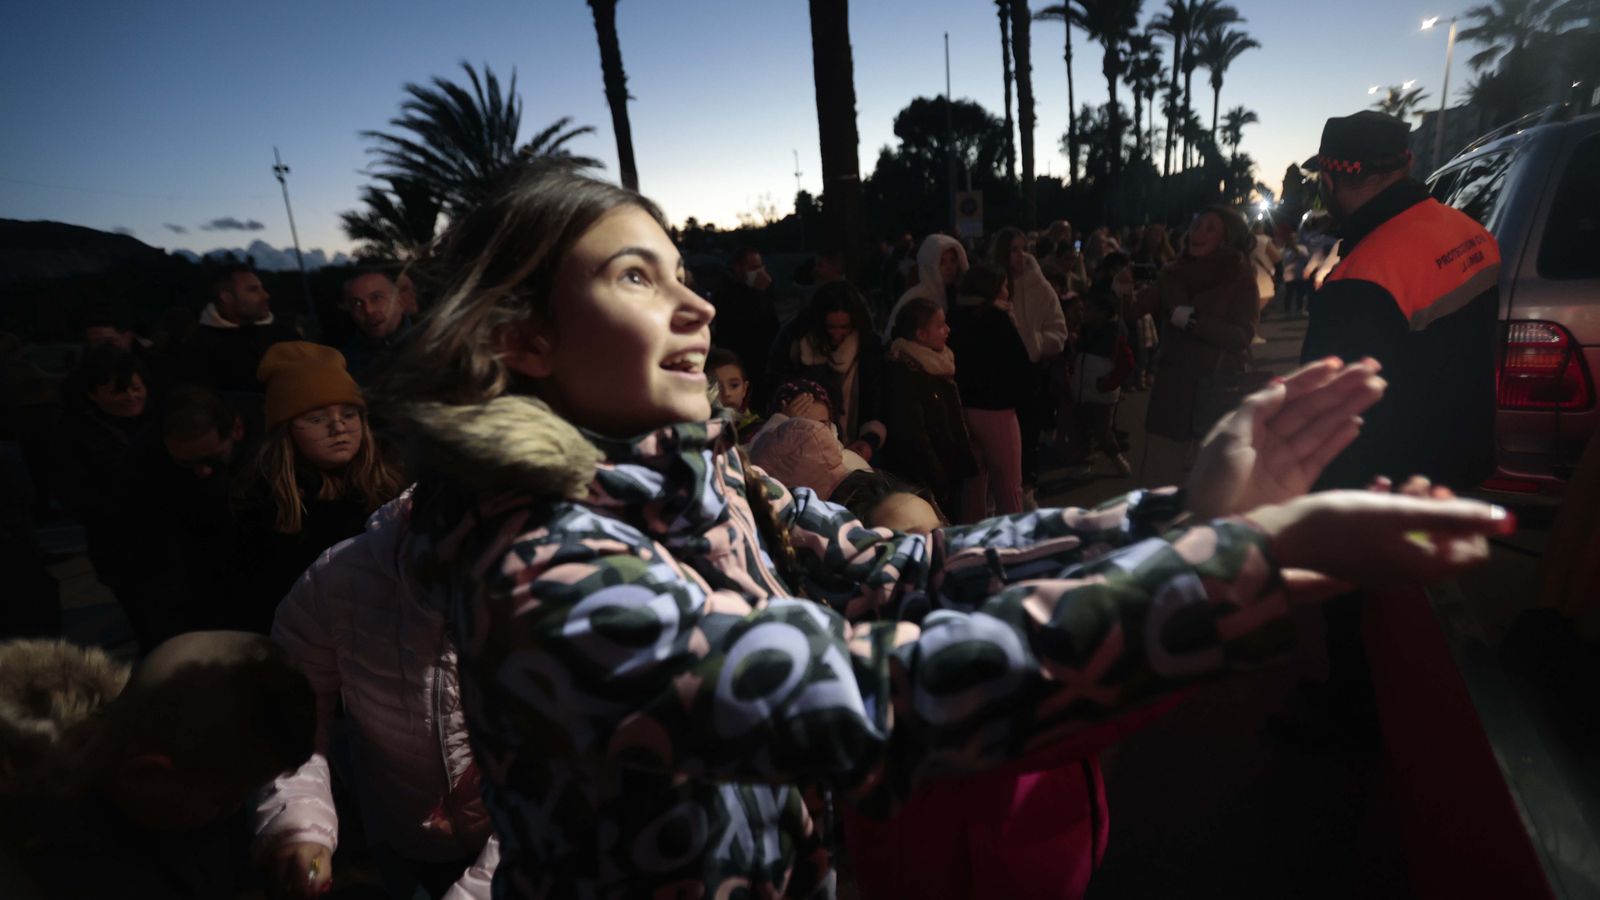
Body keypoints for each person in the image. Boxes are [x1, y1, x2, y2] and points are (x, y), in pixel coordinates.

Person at [370, 161, 1513, 898]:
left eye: (684, 270)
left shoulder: (708, 479)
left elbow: (908, 571)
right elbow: (872, 700)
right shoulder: (540, 575)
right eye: (635, 274)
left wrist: (1182, 514)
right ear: (521, 340)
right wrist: (1224, 572)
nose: (699, 304)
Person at [1295, 110, 1502, 744]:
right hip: (1459, 453)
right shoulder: (1468, 231)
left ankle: (1357, 720)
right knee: (1430, 605)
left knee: (1361, 610)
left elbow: (1331, 399)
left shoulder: (1364, 273)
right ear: (1407, 164)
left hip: (1382, 475)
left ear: (1334, 175)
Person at [253, 493, 498, 900]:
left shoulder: (563, 592)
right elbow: (286, 712)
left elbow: (573, 778)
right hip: (405, 832)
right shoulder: (341, 578)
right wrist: (298, 820)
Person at [0, 631, 315, 899]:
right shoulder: (54, 870)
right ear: (147, 774)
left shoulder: (176, 797)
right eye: (224, 799)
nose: (234, 810)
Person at [231, 343, 402, 633]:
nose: (338, 428)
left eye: (349, 414)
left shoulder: (391, 485)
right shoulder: (262, 505)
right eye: (316, 419)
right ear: (286, 432)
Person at [114, 387, 252, 648]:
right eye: (185, 464)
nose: (201, 471)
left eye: (212, 459)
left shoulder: (266, 456)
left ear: (237, 430)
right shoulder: (143, 470)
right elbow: (150, 558)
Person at [1131, 205, 1259, 486]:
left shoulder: (1239, 278)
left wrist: (1192, 322)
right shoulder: (1172, 274)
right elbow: (1133, 310)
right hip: (1173, 389)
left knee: (1211, 488)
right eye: (1197, 226)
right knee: (1157, 483)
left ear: (1227, 238)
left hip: (1216, 388)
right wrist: (1121, 289)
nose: (1198, 232)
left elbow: (1241, 336)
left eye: (1210, 228)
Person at [51, 346, 156, 643]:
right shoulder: (73, 436)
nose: (132, 396)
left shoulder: (159, 420)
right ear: (91, 394)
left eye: (137, 387)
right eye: (119, 391)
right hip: (122, 548)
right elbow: (77, 498)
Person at [988, 227, 1070, 505]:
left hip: (1028, 373)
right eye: (1013, 249)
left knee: (1027, 433)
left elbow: (1059, 331)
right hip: (995, 373)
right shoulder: (991, 285)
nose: (1020, 255)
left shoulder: (1040, 285)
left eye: (1024, 248)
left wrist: (1034, 343)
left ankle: (1027, 489)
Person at [880, 297, 980, 519]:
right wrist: (937, 477)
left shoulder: (938, 364)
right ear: (920, 335)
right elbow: (914, 432)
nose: (947, 329)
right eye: (940, 325)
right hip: (929, 476)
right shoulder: (908, 372)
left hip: (947, 468)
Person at [766, 281, 888, 458]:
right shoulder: (795, 341)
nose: (837, 333)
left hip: (853, 445)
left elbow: (876, 398)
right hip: (801, 447)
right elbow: (775, 385)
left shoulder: (868, 348)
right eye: (831, 327)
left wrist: (869, 439)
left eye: (844, 327)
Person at [947, 264, 1031, 519]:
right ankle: (1013, 541)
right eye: (1003, 286)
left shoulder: (954, 316)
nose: (1007, 292)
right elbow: (1020, 363)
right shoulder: (997, 318)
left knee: (974, 485)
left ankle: (974, 541)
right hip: (997, 411)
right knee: (1008, 486)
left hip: (962, 408)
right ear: (991, 290)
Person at [178, 264, 299, 394]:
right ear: (227, 298)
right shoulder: (197, 349)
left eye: (262, 288)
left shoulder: (285, 335)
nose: (266, 295)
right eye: (253, 290)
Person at [1070, 285, 1135, 477]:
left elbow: (1127, 362)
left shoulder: (1112, 335)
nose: (1085, 313)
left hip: (1102, 392)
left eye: (1089, 309)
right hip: (1082, 388)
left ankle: (1116, 457)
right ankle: (1085, 461)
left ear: (1102, 313)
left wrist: (1109, 383)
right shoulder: (1084, 332)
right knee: (1081, 428)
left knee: (1102, 431)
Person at [710, 247, 780, 380]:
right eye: (753, 267)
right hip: (741, 360)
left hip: (763, 360)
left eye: (760, 267)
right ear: (737, 268)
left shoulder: (762, 289)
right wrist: (758, 294)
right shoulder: (725, 293)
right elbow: (744, 324)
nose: (759, 272)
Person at [883, 233, 968, 340]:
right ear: (930, 264)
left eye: (953, 260)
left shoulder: (957, 295)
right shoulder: (916, 298)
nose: (949, 267)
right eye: (941, 262)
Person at [339, 267, 413, 383]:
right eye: (357, 304)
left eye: (376, 298)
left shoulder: (435, 341)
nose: (368, 310)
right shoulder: (343, 364)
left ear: (399, 300)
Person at [706, 347, 763, 440]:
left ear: (744, 389)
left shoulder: (760, 431)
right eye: (716, 387)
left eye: (734, 385)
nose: (726, 393)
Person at [1250, 220, 1284, 316]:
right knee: (1255, 312)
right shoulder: (1263, 240)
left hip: (1248, 275)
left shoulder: (1243, 240)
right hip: (1262, 278)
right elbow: (1277, 257)